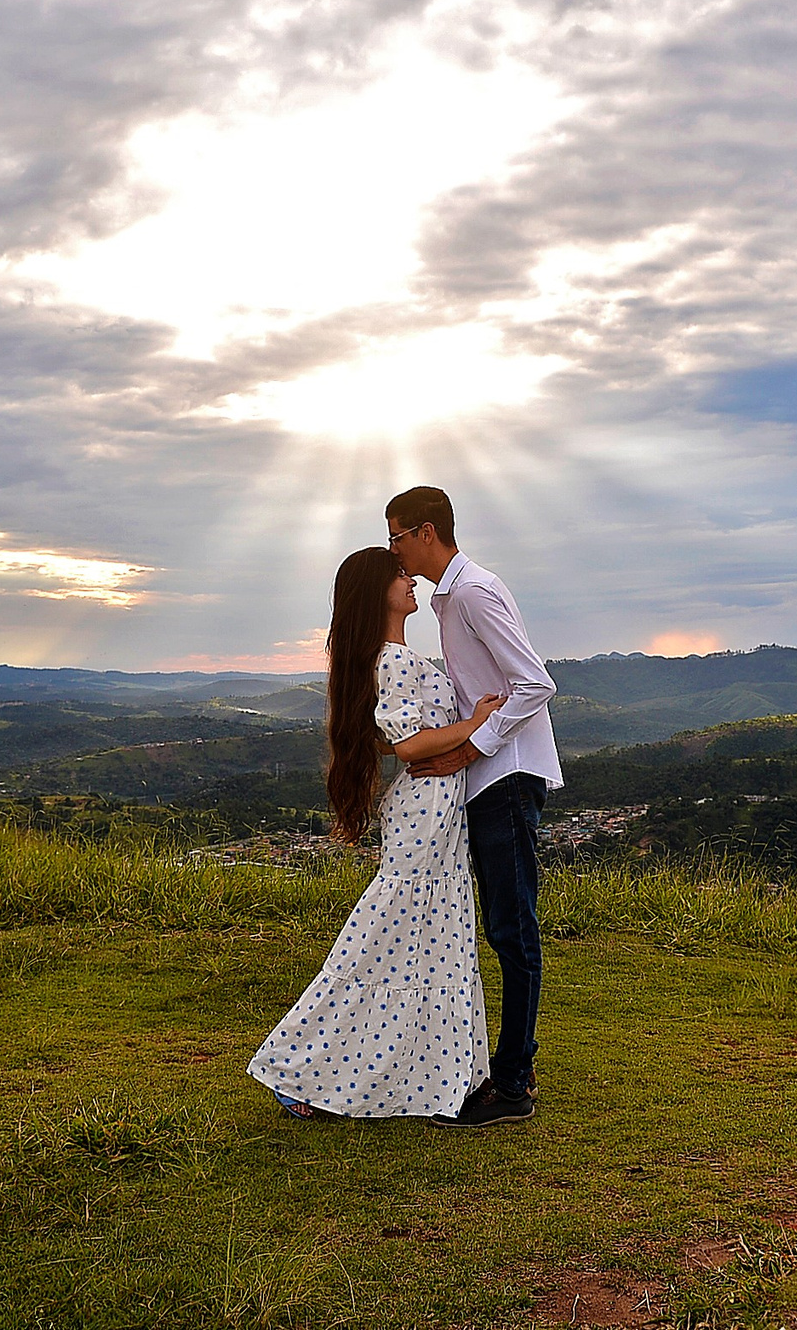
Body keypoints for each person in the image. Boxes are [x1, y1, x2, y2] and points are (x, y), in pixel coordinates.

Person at [247, 547, 505, 1120]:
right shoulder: (390, 661)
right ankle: (302, 1064)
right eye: (398, 575)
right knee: (385, 940)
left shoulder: (395, 656)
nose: (409, 578)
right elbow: (408, 743)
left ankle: (429, 1074)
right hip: (423, 809)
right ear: (375, 592)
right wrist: (475, 724)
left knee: (428, 943)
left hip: (438, 808)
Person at [386, 484, 561, 1130]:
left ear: (426, 532)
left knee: (512, 929)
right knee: (504, 926)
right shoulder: (447, 597)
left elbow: (535, 682)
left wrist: (471, 748)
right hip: (492, 775)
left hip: (507, 775)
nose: (393, 548)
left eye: (396, 535)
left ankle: (512, 1083)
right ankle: (518, 1065)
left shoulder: (472, 590)